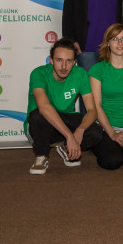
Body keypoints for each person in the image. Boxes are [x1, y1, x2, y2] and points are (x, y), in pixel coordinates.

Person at [25, 38, 104, 174]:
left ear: (74, 62)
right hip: (40, 125)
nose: (63, 66)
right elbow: (44, 108)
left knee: (95, 131)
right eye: (59, 60)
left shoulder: (80, 74)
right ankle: (42, 155)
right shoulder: (38, 73)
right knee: (38, 115)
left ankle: (64, 147)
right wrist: (70, 136)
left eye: (68, 61)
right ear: (51, 60)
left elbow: (92, 110)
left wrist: (80, 130)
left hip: (65, 119)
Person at [88, 23, 123, 170]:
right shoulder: (97, 70)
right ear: (108, 43)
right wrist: (113, 134)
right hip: (106, 128)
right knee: (112, 161)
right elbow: (97, 106)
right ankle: (100, 145)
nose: (119, 43)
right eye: (114, 39)